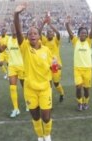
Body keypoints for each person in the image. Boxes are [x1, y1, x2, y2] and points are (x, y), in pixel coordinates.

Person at [14, 3, 55, 141]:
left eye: (35, 33)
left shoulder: (46, 50)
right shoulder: (25, 47)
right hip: (30, 89)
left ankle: (47, 135)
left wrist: (56, 66)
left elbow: (52, 67)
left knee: (46, 116)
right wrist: (16, 14)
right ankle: (40, 136)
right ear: (27, 37)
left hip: (44, 88)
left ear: (39, 36)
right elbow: (19, 32)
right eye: (29, 33)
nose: (32, 35)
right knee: (35, 116)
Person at [0, 25, 28, 118]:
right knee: (12, 88)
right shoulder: (7, 40)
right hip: (12, 66)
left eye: (15, 28)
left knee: (25, 86)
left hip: (22, 66)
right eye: (12, 28)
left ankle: (27, 103)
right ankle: (16, 109)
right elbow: (1, 50)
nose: (14, 30)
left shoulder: (22, 39)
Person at [65, 15, 92, 111]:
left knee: (86, 89)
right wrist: (67, 23)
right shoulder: (75, 41)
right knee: (78, 87)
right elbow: (69, 31)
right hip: (77, 69)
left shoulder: (89, 41)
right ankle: (80, 103)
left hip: (88, 70)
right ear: (79, 34)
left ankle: (86, 102)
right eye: (82, 33)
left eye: (85, 33)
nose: (84, 34)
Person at [39, 13, 65, 102]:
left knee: (56, 83)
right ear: (46, 35)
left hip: (56, 65)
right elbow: (39, 33)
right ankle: (48, 101)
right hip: (47, 66)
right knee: (48, 84)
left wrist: (50, 25)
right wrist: (43, 23)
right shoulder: (44, 41)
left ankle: (61, 93)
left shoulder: (56, 41)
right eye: (48, 32)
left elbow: (58, 33)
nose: (50, 33)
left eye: (51, 32)